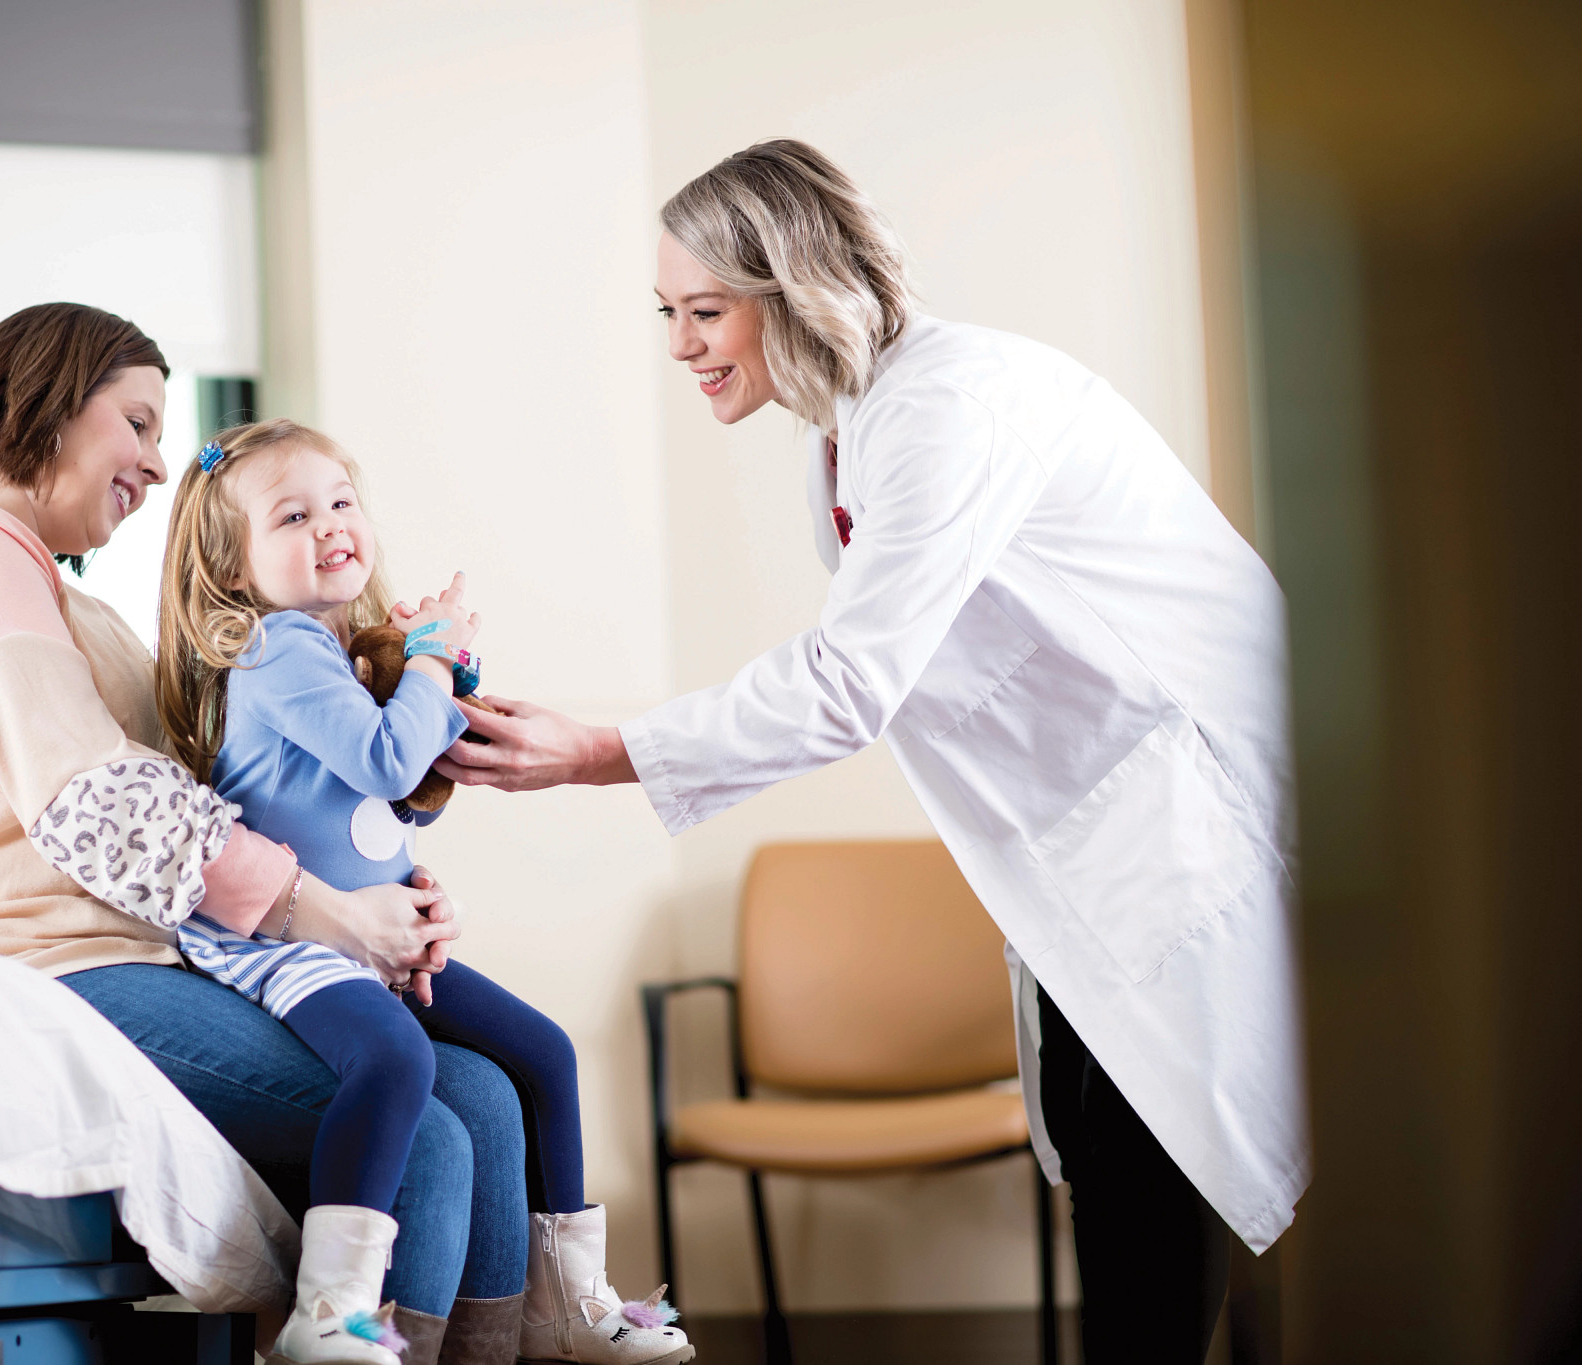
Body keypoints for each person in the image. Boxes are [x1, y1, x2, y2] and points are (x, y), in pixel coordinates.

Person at [437, 141, 1308, 1362]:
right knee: (1111, 1149)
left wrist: (597, 751)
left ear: (789, 286)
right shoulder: (850, 429)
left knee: (1152, 1172)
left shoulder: (946, 404)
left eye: (704, 311)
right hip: (1088, 837)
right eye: (667, 315)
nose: (680, 345)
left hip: (1180, 816)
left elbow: (847, 680)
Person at [0, 302, 523, 1365]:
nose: (151, 462)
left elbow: (229, 804)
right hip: (6, 968)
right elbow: (97, 802)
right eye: (136, 423)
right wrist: (320, 913)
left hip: (128, 958)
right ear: (49, 399)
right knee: (420, 1129)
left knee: (479, 1092)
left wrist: (390, 893)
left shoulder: (65, 600)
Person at [152, 418, 692, 1365]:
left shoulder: (332, 653)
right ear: (233, 566)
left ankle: (568, 1295)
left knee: (543, 1051)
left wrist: (432, 682)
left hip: (372, 940)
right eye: (291, 515)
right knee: (395, 1063)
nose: (329, 525)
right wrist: (433, 663)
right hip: (288, 945)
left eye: (340, 501)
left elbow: (397, 797)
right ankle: (333, 1313)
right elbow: (383, 754)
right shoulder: (275, 650)